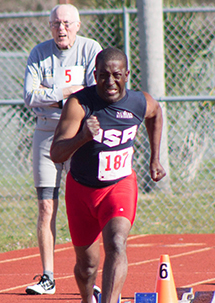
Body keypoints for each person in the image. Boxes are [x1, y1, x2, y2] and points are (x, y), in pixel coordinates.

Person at [50, 47, 166, 303]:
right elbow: (56, 153)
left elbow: (156, 112)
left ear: (126, 74)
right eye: (103, 75)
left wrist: (155, 158)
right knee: (87, 266)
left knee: (116, 242)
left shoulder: (138, 102)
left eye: (116, 75)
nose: (110, 82)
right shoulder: (79, 104)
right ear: (94, 75)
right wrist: (82, 137)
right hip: (81, 191)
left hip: (119, 186)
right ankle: (87, 298)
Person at [22, 3, 103, 295]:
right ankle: (47, 276)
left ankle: (90, 277)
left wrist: (57, 97)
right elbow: (30, 95)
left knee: (84, 207)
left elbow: (94, 90)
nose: (62, 29)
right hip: (46, 132)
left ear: (78, 25)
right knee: (46, 206)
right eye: (56, 23)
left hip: (77, 133)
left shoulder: (91, 49)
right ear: (49, 26)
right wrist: (63, 94)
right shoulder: (38, 53)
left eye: (67, 23)